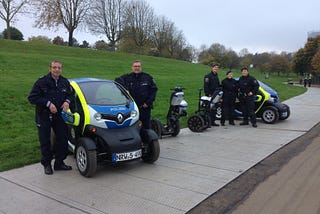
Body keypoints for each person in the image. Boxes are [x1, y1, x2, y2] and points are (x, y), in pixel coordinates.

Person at [28, 61, 73, 175]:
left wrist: (67, 101)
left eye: (59, 68)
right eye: (54, 67)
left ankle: (59, 163)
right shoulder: (41, 82)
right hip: (44, 115)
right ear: (50, 69)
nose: (57, 70)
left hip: (59, 115)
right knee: (45, 140)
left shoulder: (64, 82)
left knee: (63, 139)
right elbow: (32, 97)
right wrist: (48, 104)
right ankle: (47, 164)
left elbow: (70, 94)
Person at [115, 60, 158, 129]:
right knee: (132, 125)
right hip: (132, 107)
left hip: (144, 107)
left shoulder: (148, 77)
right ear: (132, 67)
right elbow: (117, 80)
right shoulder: (128, 77)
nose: (137, 68)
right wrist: (125, 89)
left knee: (145, 126)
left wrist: (148, 103)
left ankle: (146, 139)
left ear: (141, 67)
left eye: (138, 66)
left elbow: (154, 90)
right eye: (135, 66)